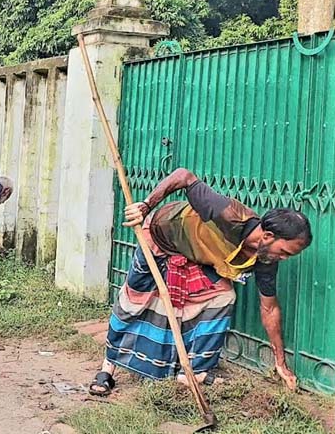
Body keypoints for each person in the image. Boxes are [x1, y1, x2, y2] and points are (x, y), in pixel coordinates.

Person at [88, 168, 312, 397]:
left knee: (222, 297)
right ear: (267, 236)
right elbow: (184, 176)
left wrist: (280, 363)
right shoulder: (228, 214)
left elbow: (270, 308)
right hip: (161, 236)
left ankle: (193, 373)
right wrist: (146, 206)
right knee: (134, 300)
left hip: (196, 256)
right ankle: (108, 368)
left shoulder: (265, 259)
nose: (283, 259)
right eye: (284, 252)